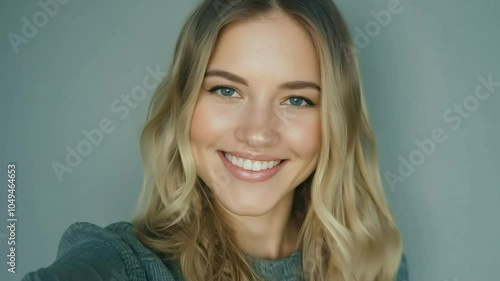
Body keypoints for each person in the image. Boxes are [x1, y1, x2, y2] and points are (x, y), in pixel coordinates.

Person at [23, 0, 409, 280]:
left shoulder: (373, 262)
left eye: (297, 99)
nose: (257, 132)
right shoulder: (128, 263)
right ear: (184, 103)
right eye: (226, 91)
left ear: (334, 122)